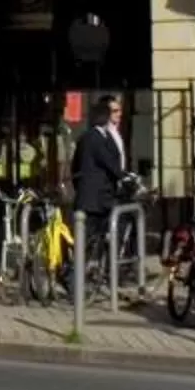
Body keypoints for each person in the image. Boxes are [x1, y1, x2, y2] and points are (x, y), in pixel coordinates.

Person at [72, 93, 130, 277]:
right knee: (89, 239)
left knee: (96, 236)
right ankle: (75, 277)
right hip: (95, 199)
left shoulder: (94, 137)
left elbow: (76, 166)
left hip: (97, 197)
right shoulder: (95, 138)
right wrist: (125, 177)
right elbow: (110, 164)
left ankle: (99, 268)